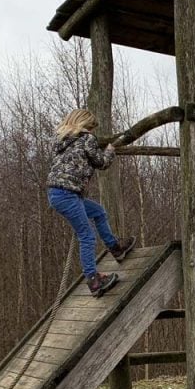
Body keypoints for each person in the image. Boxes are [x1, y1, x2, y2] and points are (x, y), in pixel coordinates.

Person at [47, 108, 136, 297]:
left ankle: (115, 247)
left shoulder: (61, 140)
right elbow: (101, 162)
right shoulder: (87, 138)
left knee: (98, 212)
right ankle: (93, 279)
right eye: (91, 127)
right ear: (85, 125)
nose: (93, 131)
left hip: (58, 193)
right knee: (86, 236)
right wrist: (110, 150)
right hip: (68, 194)